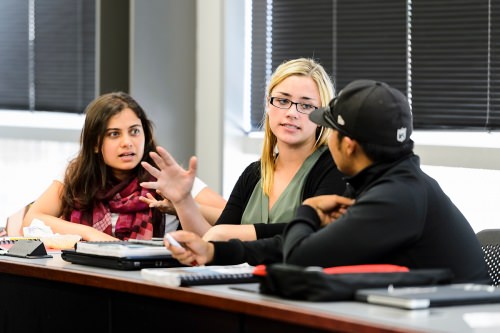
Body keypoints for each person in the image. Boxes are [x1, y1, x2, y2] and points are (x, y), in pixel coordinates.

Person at [163, 79, 491, 284]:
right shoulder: (385, 180)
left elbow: (303, 256)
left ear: (348, 145)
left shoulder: (396, 196)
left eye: (329, 127)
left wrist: (307, 210)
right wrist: (213, 252)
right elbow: (294, 240)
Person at [141, 58, 347, 242]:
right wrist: (183, 201)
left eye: (306, 105)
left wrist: (236, 233)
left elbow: (314, 234)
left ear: (322, 116)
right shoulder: (253, 174)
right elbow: (212, 241)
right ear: (268, 105)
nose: (292, 113)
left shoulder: (333, 168)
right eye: (283, 101)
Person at [22, 92, 226, 241]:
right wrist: (89, 234)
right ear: (95, 143)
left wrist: (183, 204)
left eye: (135, 131)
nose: (127, 142)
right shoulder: (78, 177)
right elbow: (32, 219)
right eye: (114, 134)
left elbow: (235, 218)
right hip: (88, 276)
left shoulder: (168, 178)